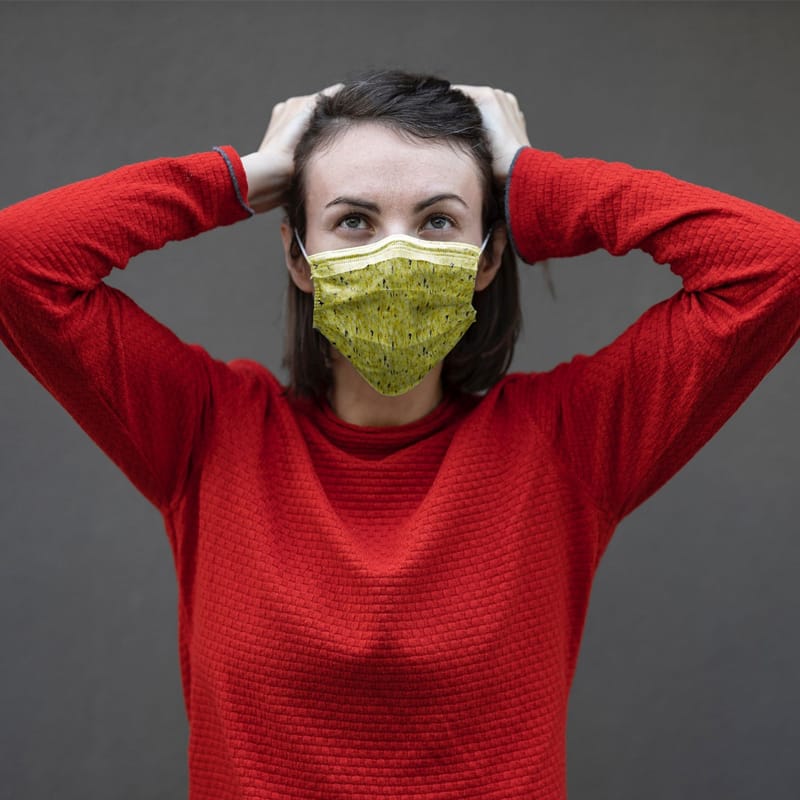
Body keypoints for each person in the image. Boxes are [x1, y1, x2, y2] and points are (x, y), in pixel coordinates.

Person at [0, 69, 797, 799]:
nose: (395, 253)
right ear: (301, 259)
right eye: (352, 220)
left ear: (487, 260)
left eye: (438, 220)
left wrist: (533, 180)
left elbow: (775, 268)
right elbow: (18, 261)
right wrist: (237, 177)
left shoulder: (568, 442)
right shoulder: (207, 432)